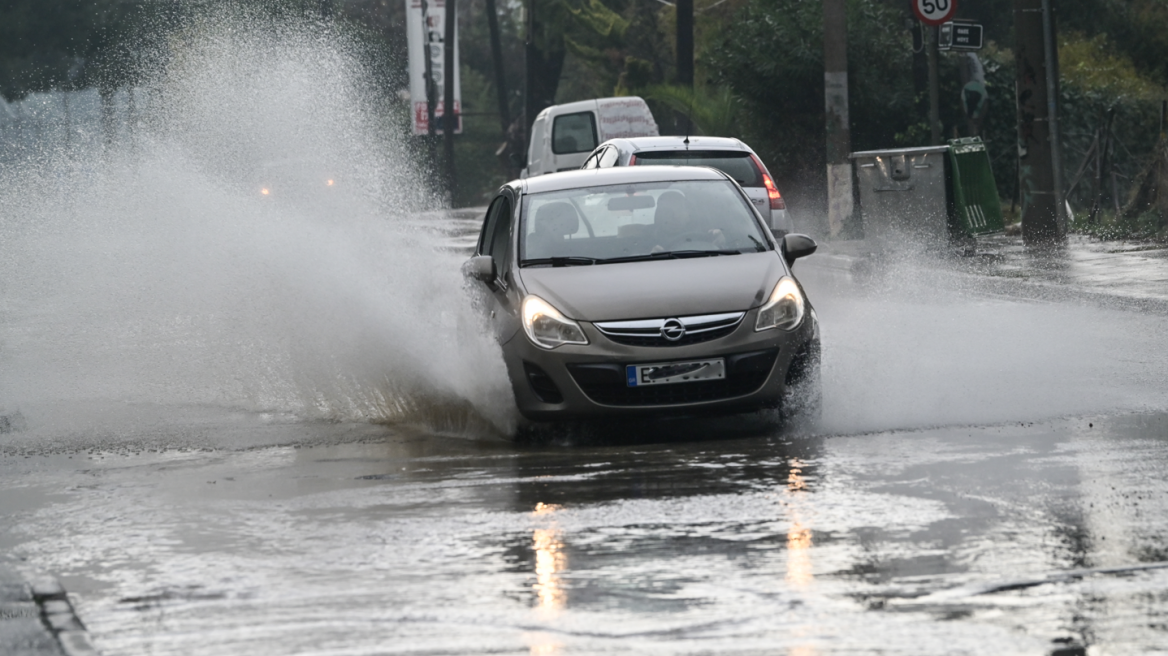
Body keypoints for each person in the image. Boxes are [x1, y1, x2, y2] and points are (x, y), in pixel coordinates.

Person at [651, 190, 724, 252]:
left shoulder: (707, 233)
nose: (675, 217)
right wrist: (651, 256)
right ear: (659, 215)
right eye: (667, 212)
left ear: (689, 214)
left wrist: (721, 239)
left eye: (680, 211)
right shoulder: (645, 240)